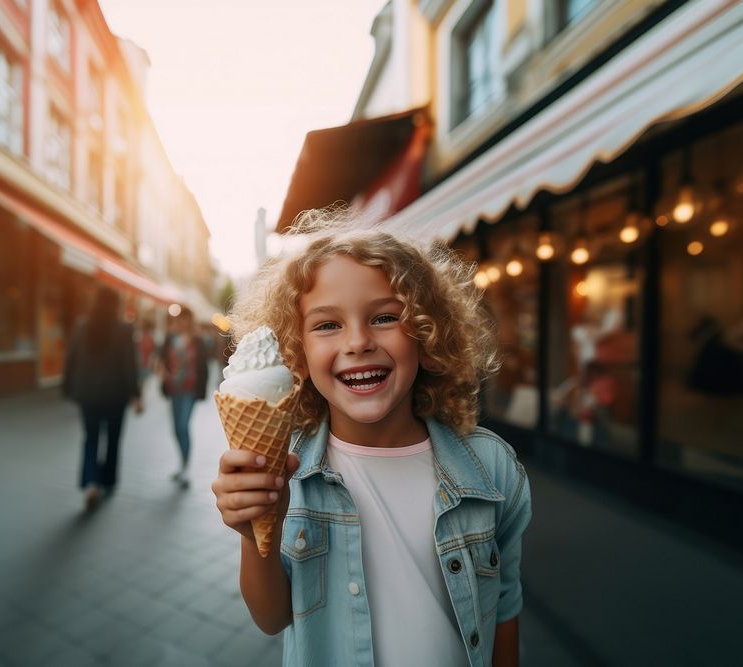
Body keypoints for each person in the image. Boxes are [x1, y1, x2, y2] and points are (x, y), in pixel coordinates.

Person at [211, 219, 531, 667]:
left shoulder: (490, 468)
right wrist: (254, 534)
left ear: (426, 331)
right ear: (296, 351)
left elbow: (504, 608)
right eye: (327, 325)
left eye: (384, 317)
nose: (358, 342)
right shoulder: (288, 469)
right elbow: (271, 616)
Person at [63, 286, 143, 510]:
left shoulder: (82, 326)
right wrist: (135, 394)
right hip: (115, 395)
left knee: (90, 438)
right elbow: (129, 365)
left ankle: (90, 482)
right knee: (113, 440)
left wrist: (68, 387)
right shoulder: (123, 329)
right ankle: (108, 480)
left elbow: (71, 357)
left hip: (87, 394)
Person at [159, 308, 209, 488]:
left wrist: (202, 392)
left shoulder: (197, 341)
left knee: (183, 425)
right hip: (174, 390)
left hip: (189, 390)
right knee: (176, 429)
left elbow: (203, 367)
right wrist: (163, 374)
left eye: (184, 319)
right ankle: (181, 461)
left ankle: (185, 467)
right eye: (179, 319)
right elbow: (162, 360)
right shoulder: (170, 338)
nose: (181, 322)